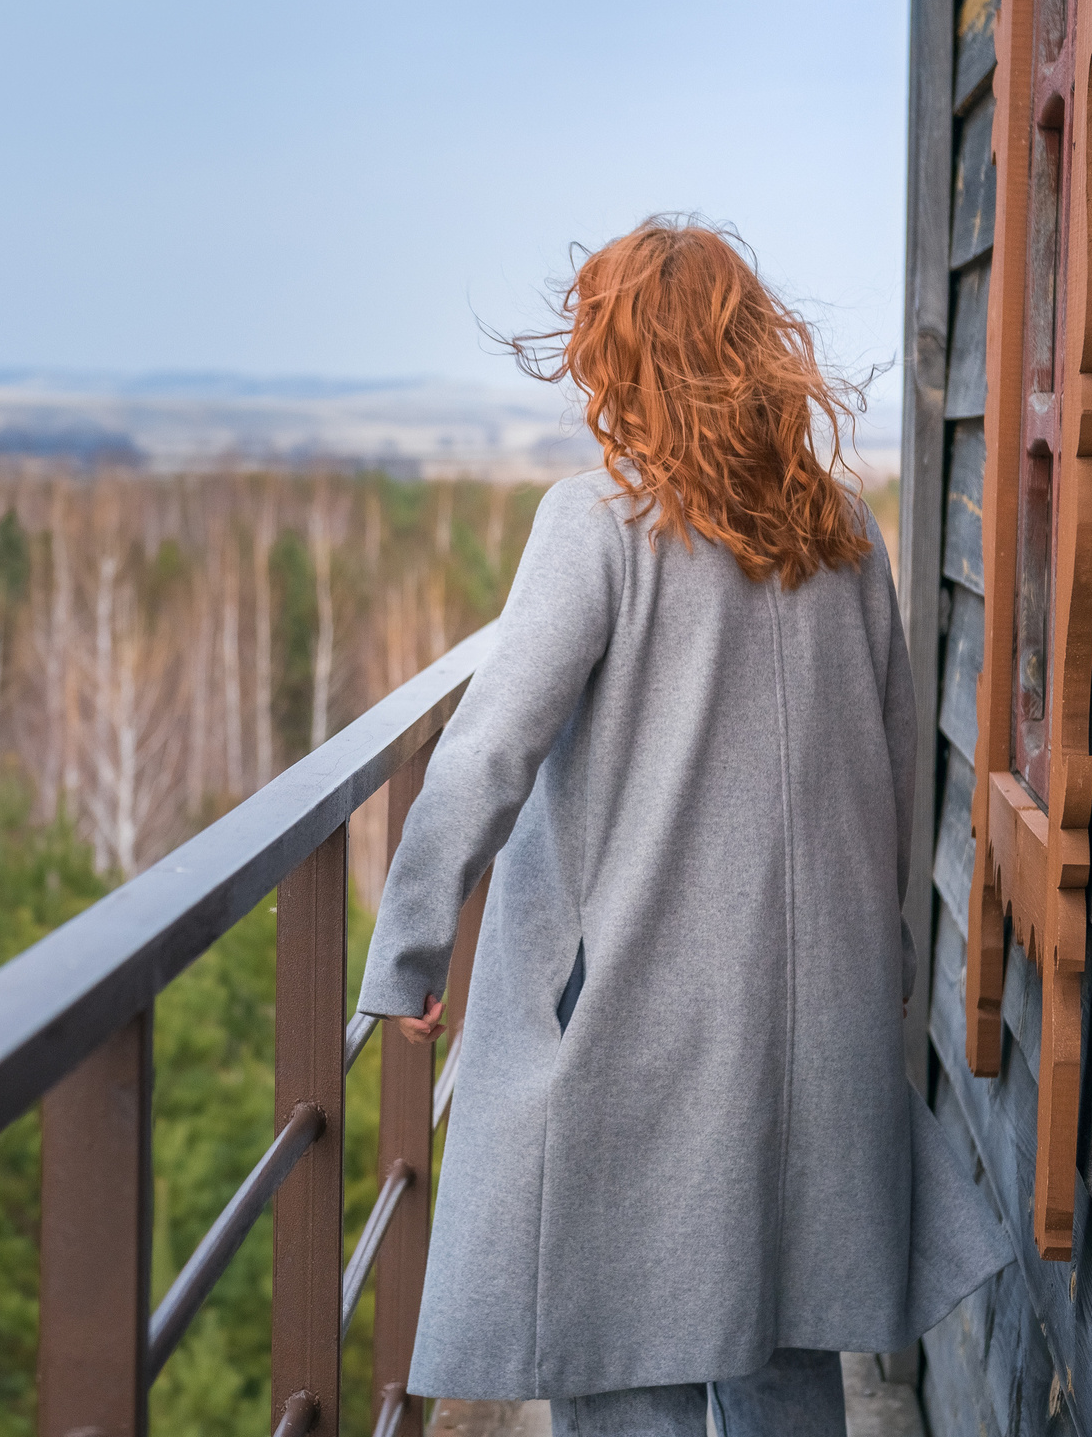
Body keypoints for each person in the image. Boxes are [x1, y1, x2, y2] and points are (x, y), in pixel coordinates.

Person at [359, 216, 1009, 1436]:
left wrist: (405, 956)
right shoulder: (842, 529)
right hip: (811, 1020)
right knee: (782, 1354)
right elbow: (892, 775)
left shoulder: (599, 522)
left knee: (624, 1363)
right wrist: (886, 983)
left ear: (619, 361)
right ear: (754, 352)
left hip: (638, 1022)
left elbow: (491, 746)